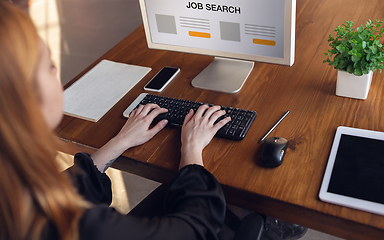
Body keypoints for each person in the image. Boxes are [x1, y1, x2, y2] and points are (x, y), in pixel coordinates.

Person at [0, 1, 234, 240]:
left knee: (173, 189)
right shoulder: (76, 225)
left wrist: (119, 142)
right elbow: (196, 229)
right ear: (23, 97)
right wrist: (192, 148)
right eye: (50, 65)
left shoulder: (14, 194)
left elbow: (62, 189)